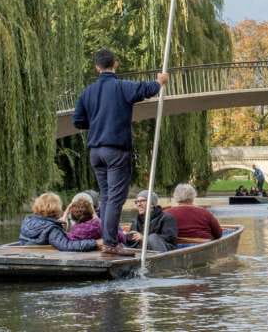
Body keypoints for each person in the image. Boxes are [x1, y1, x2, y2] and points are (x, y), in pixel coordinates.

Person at [72, 48, 168, 255]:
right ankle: (110, 243)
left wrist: (97, 123)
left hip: (95, 151)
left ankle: (108, 240)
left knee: (106, 197)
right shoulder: (121, 86)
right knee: (115, 198)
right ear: (115, 63)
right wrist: (159, 81)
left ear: (97, 67)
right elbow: (145, 89)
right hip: (115, 150)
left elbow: (78, 121)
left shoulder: (87, 92)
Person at [19, 193, 100, 252]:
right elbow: (66, 246)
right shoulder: (51, 228)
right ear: (55, 208)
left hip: (26, 253)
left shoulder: (27, 221)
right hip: (44, 257)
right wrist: (95, 243)